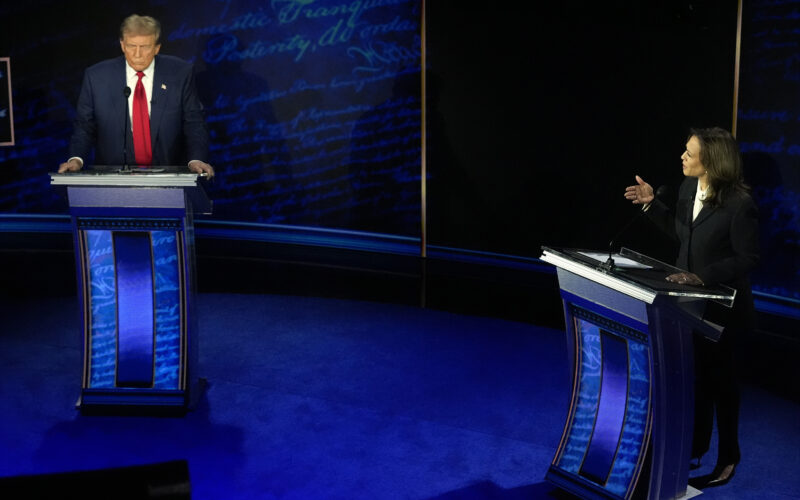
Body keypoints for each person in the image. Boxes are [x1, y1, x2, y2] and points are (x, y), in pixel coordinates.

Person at [624, 127, 759, 489]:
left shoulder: (739, 204)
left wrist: (703, 277)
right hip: (687, 308)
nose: (682, 156)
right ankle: (694, 448)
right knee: (696, 382)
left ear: (710, 161)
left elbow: (748, 258)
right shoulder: (687, 189)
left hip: (725, 312)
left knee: (723, 387)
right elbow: (682, 234)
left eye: (689, 152)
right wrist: (652, 205)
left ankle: (729, 458)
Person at [58, 14, 214, 178]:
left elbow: (194, 122)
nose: (137, 54)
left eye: (145, 47)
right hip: (113, 178)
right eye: (132, 46)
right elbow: (84, 125)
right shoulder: (97, 77)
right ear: (122, 45)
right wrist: (76, 159)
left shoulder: (180, 74)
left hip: (169, 176)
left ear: (157, 48)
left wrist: (196, 159)